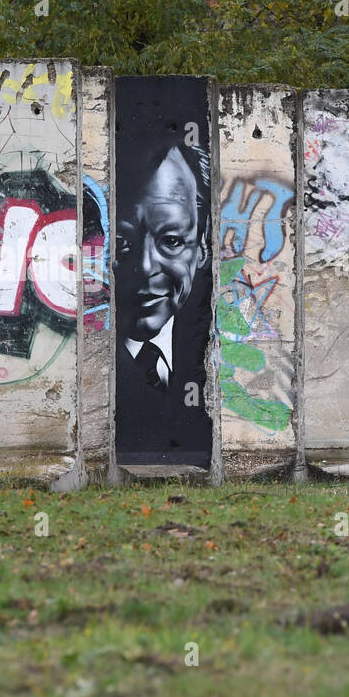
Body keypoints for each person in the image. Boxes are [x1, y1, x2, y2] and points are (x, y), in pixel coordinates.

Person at [114, 136, 213, 467]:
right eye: (122, 242)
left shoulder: (215, 344)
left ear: (202, 245)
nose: (144, 266)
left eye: (171, 241)